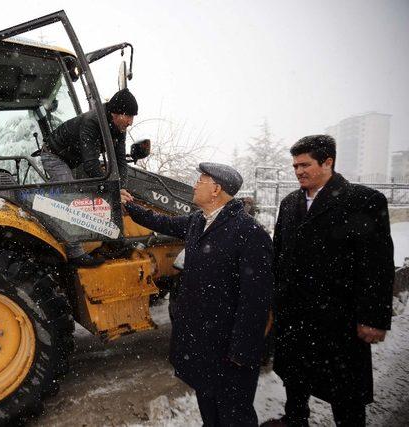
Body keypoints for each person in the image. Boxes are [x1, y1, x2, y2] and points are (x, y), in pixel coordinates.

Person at [125, 162, 273, 426]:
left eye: (201, 180)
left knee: (234, 414)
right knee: (209, 408)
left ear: (216, 189)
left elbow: (256, 301)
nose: (195, 184)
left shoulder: (249, 233)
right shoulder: (198, 221)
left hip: (229, 348)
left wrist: (242, 350)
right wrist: (130, 206)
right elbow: (162, 222)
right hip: (204, 342)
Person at [262, 135, 395, 427]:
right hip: (295, 315)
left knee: (344, 392)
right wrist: (274, 302)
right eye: (295, 165)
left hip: (338, 318)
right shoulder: (290, 203)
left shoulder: (363, 201)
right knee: (295, 379)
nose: (298, 171)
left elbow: (377, 265)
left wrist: (373, 317)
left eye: (305, 164)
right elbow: (279, 255)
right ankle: (295, 419)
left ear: (328, 162)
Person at [41, 88, 137, 267]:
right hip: (55, 156)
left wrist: (120, 187)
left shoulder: (118, 128)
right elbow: (91, 165)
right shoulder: (92, 122)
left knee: (109, 189)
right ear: (115, 112)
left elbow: (120, 161)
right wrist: (114, 191)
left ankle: (114, 239)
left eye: (133, 117)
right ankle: (75, 254)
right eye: (128, 116)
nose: (131, 122)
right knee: (70, 198)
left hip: (74, 159)